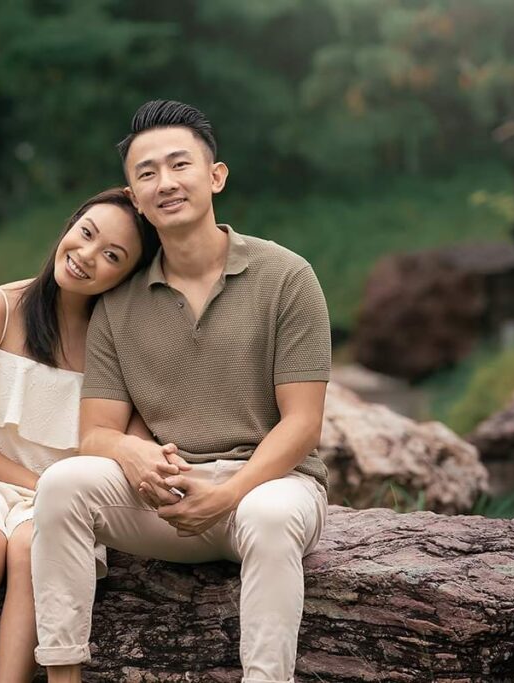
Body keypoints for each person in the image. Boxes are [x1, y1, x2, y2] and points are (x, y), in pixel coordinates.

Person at [32, 100, 332, 683]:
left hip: (270, 489)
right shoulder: (118, 304)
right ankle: (63, 675)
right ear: (135, 196)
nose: (164, 182)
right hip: (168, 498)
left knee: (269, 520)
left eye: (179, 165)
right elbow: (95, 431)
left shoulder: (287, 276)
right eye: (147, 173)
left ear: (215, 176)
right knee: (63, 484)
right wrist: (131, 452)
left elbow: (303, 425)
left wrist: (231, 492)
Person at [0, 187, 161, 682]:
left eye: (112, 256)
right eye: (86, 234)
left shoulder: (117, 344)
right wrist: (30, 482)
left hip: (59, 499)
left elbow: (125, 446)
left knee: (32, 549)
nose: (87, 256)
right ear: (70, 226)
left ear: (128, 275)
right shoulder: (0, 308)